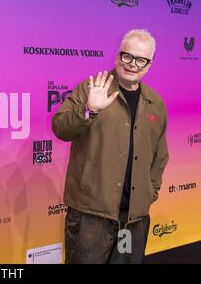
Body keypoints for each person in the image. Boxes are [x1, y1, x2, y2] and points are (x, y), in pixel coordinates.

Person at [52, 29, 169, 263]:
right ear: (117, 56)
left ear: (149, 65)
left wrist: (148, 193)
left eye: (141, 60)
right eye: (127, 56)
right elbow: (61, 128)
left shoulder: (155, 103)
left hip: (133, 219)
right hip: (90, 216)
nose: (132, 64)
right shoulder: (92, 88)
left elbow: (159, 156)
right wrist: (89, 110)